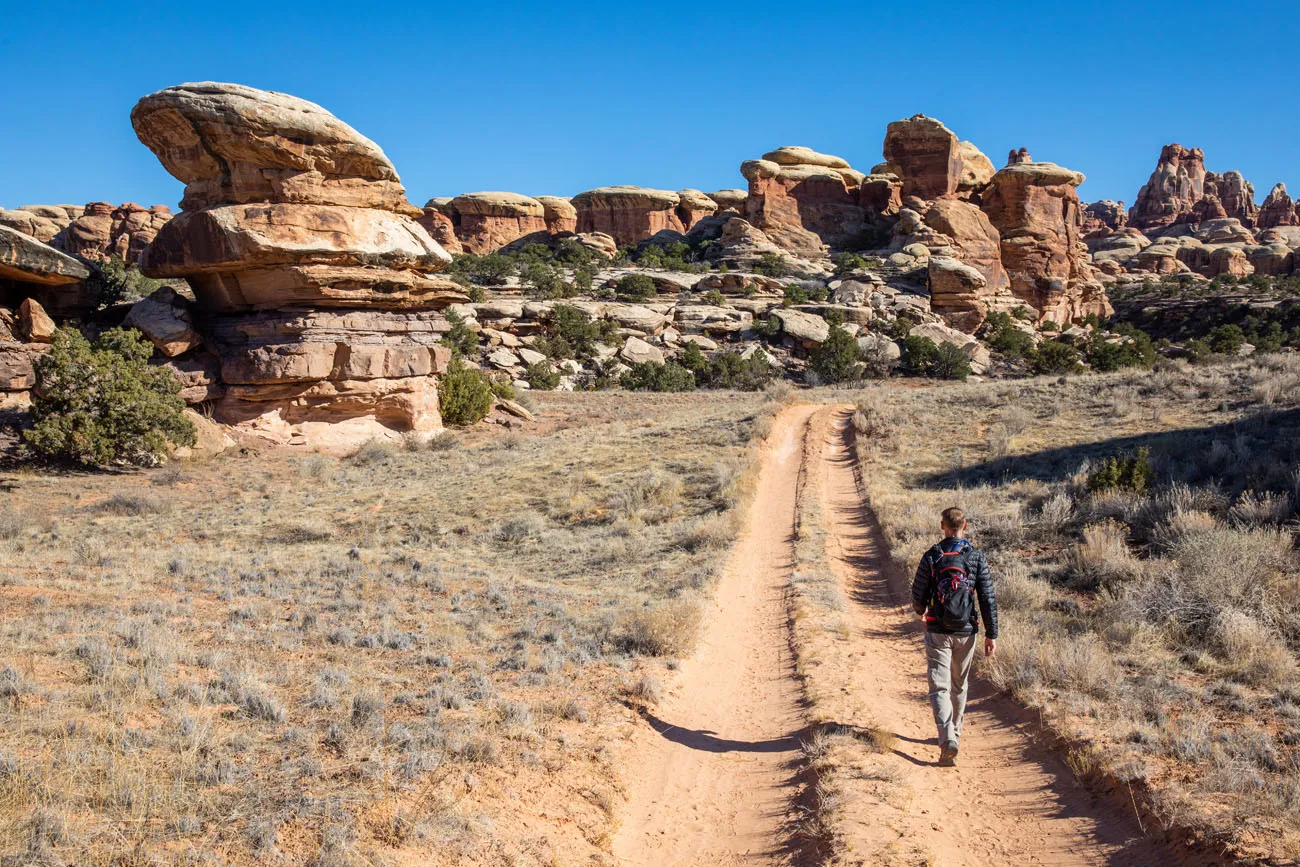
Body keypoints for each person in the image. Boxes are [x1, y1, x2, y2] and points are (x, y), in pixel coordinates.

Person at [910, 507, 998, 767]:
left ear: (942, 526)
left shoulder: (933, 556)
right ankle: (955, 735)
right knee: (959, 685)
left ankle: (946, 735)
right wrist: (991, 633)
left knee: (939, 686)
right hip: (966, 631)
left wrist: (922, 611)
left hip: (937, 630)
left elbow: (917, 594)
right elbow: (987, 598)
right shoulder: (976, 557)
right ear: (965, 526)